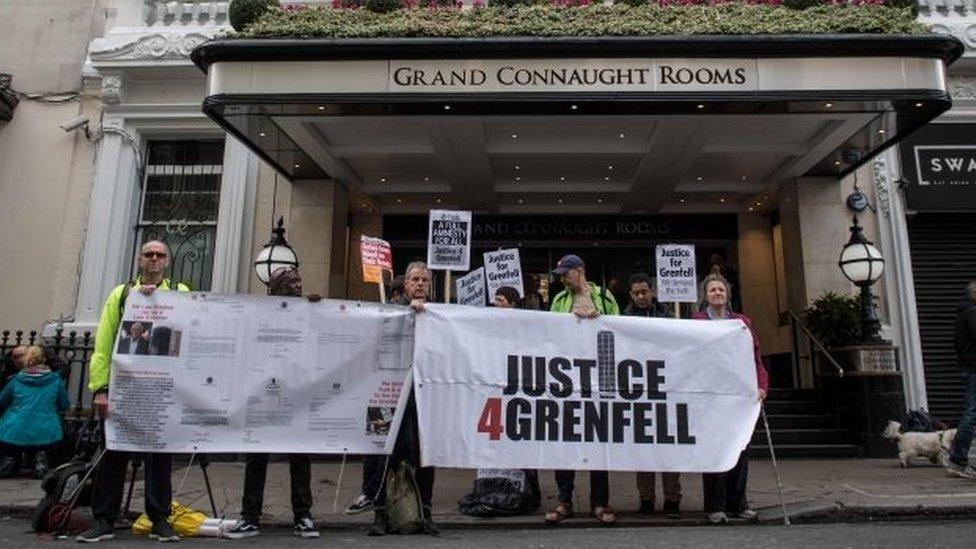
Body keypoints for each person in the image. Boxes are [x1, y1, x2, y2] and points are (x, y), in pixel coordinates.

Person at [77, 240, 189, 544]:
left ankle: (160, 519)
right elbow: (104, 343)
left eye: (160, 255)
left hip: (160, 389)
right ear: (140, 260)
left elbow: (188, 336)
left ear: (167, 261)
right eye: (148, 254)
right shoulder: (121, 293)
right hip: (124, 387)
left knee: (159, 456)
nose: (154, 259)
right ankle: (104, 519)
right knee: (114, 452)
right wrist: (100, 389)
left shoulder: (180, 292)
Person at [225, 267, 322, 539]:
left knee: (300, 456)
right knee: (257, 456)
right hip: (264, 395)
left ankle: (303, 515)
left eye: (299, 280)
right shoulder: (260, 313)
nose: (298, 285)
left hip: (295, 395)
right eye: (291, 282)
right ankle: (250, 516)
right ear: (276, 288)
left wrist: (317, 310)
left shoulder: (307, 310)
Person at [544, 254, 620, 526]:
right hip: (567, 379)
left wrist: (600, 321)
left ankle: (600, 501)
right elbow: (550, 334)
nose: (563, 277)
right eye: (561, 274)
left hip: (598, 380)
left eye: (567, 272)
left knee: (598, 443)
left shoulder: (604, 297)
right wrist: (570, 319)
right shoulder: (559, 301)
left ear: (581, 270)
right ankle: (565, 500)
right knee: (564, 442)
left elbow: (620, 330)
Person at [692, 273, 768, 524]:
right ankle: (715, 507)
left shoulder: (742, 323)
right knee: (714, 451)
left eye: (721, 290)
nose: (717, 293)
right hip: (711, 399)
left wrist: (761, 386)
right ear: (705, 295)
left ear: (728, 294)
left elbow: (754, 357)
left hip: (737, 399)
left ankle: (738, 504)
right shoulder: (697, 322)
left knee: (740, 450)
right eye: (712, 290)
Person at [370, 261, 437, 535]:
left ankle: (426, 513)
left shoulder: (440, 315)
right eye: (415, 280)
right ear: (405, 284)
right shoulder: (391, 312)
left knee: (424, 456)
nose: (420, 284)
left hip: (424, 396)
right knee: (386, 454)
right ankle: (381, 515)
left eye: (424, 280)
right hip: (391, 393)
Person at [346, 274, 409, 516]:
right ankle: (375, 494)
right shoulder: (382, 317)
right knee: (377, 443)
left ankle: (382, 496)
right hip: (382, 389)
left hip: (400, 389)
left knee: (394, 446)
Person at [623, 273, 681, 518]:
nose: (640, 297)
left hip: (664, 388)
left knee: (668, 448)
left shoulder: (667, 316)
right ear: (630, 294)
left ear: (652, 291)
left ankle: (672, 499)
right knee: (643, 449)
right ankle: (646, 498)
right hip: (639, 390)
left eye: (644, 292)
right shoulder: (624, 319)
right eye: (636, 293)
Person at [0, 346, 69, 479]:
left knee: (9, 434)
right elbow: (64, 404)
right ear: (44, 360)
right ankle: (40, 457)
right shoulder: (55, 380)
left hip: (14, 429)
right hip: (47, 431)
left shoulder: (15, 380)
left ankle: (11, 459)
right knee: (48, 435)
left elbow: (2, 401)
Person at [946, 281, 976, 479]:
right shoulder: (972, 313)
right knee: (972, 413)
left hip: (970, 367)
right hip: (974, 369)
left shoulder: (966, 312)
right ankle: (957, 459)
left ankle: (958, 459)